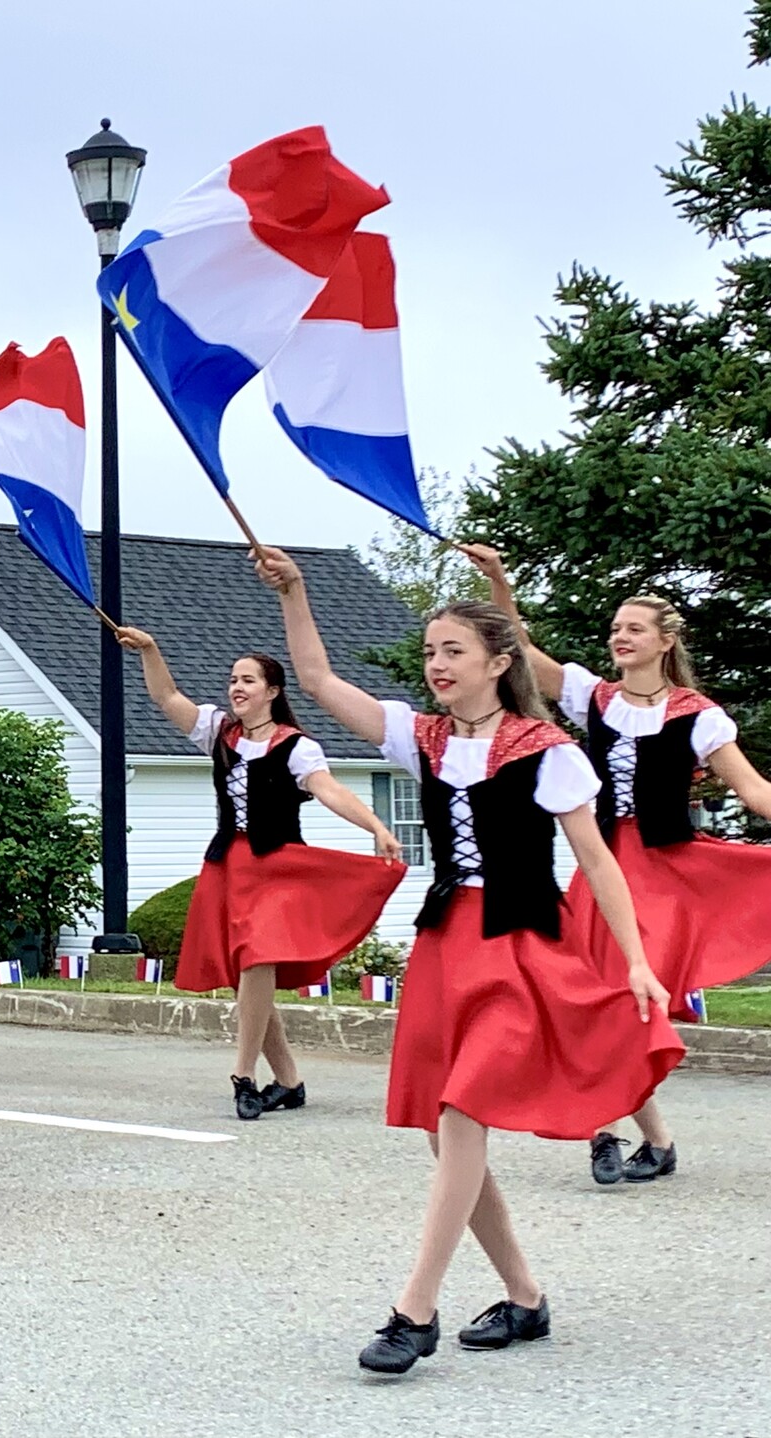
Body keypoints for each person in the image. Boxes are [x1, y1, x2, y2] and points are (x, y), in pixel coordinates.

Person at [253, 545, 681, 1377]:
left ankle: (414, 1313)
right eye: (429, 652)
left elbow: (597, 864)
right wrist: (295, 591)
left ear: (499, 660)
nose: (437, 664)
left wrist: (635, 961)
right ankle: (525, 1297)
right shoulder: (423, 738)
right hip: (447, 945)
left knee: (460, 1113)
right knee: (447, 1133)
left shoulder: (547, 748)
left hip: (521, 949)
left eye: (453, 650)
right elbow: (315, 680)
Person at [465, 544, 771, 1186]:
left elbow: (755, 793)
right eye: (614, 630)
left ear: (664, 641)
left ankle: (621, 1130)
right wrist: (500, 583)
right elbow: (518, 650)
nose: (619, 638)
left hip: (669, 874)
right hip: (602, 869)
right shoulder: (594, 698)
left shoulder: (699, 716)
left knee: (632, 1000)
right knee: (600, 1002)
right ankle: (629, 1137)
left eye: (633, 629)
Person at [114, 626, 406, 1119]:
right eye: (233, 680)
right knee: (250, 978)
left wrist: (375, 824)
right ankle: (289, 1081)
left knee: (256, 960)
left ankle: (244, 1075)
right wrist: (151, 650)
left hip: (280, 868)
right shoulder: (218, 732)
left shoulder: (297, 747)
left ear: (272, 691)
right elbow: (166, 696)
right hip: (229, 867)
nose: (237, 688)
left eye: (248, 680)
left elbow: (330, 790)